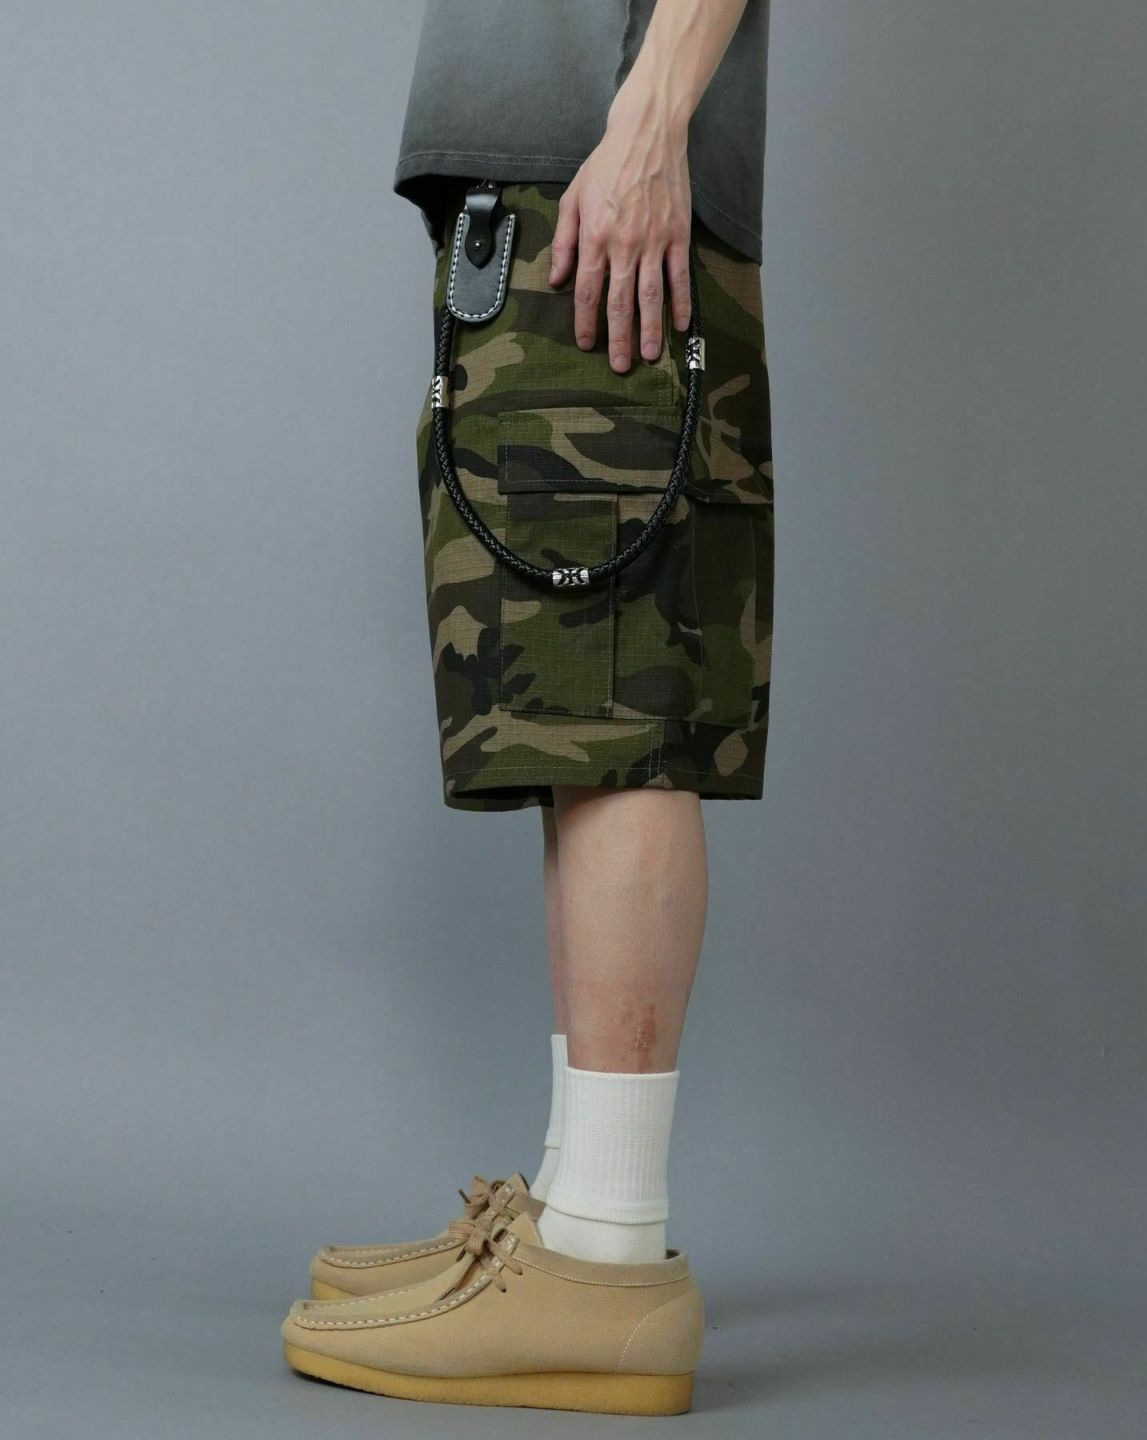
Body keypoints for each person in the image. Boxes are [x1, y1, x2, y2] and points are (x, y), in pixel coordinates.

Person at [280, 0, 774, 1416]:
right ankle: (568, 1217)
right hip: (558, 182)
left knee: (617, 722)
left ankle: (607, 1259)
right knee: (575, 722)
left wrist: (651, 119)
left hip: (601, 180)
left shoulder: (626, 147)